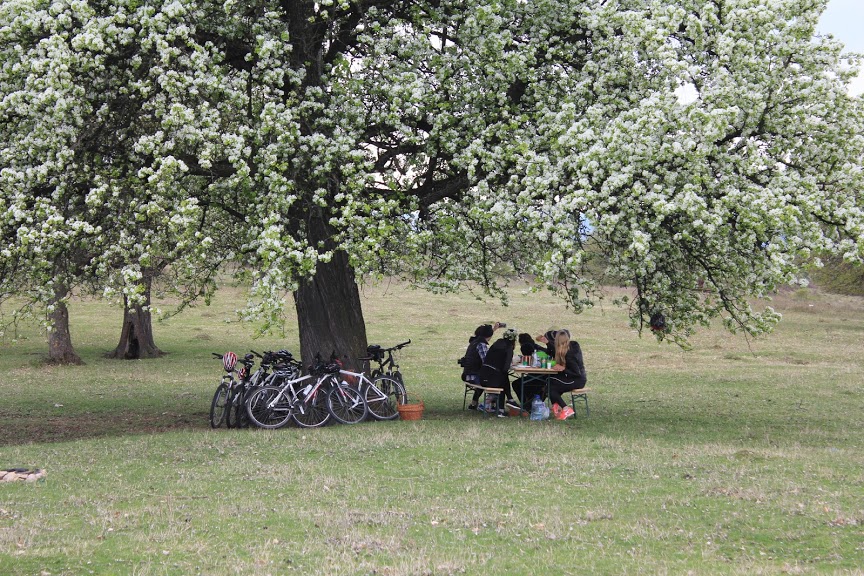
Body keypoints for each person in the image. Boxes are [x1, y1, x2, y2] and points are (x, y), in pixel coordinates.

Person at [478, 328, 521, 417]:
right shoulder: (508, 348)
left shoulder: (495, 344)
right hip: (493, 380)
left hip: (482, 377)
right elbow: (505, 368)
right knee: (503, 377)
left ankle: (504, 406)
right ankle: (509, 401)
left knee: (502, 378)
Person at [461, 322, 502, 410]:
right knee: (497, 380)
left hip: (467, 373)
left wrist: (494, 330)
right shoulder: (481, 345)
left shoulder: (474, 342)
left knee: (485, 377)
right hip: (473, 376)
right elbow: (487, 362)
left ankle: (473, 404)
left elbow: (487, 338)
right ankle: (488, 405)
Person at [547, 330, 586, 420]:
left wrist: (563, 369)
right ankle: (556, 406)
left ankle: (565, 408)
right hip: (572, 377)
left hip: (577, 380)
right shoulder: (567, 349)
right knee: (550, 381)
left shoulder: (570, 354)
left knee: (550, 386)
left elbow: (576, 373)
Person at [514, 333, 546, 406]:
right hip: (541, 376)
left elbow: (529, 361)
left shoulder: (527, 348)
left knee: (517, 384)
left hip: (539, 377)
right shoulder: (539, 348)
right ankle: (527, 404)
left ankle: (525, 404)